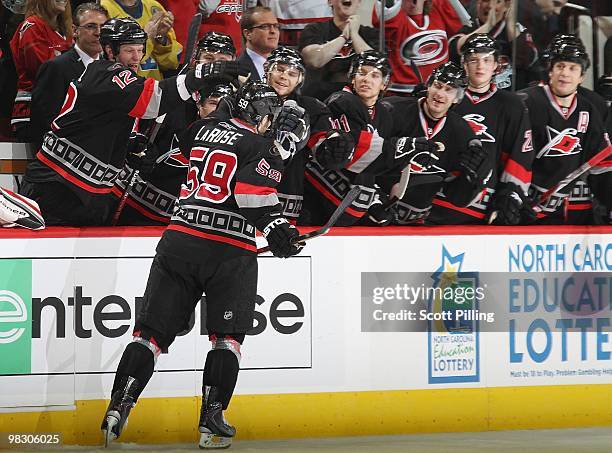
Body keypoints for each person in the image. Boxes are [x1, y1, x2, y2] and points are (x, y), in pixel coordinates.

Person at [101, 81, 308, 449]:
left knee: (149, 335)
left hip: (178, 241)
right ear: (258, 116)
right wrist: (280, 231)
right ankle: (211, 421)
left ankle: (119, 405)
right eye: (269, 118)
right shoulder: (261, 146)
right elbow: (250, 196)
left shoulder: (201, 128)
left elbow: (168, 161)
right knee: (226, 340)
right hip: (228, 253)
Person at [19, 18, 242, 226]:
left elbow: (106, 123)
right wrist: (199, 75)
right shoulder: (106, 73)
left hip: (83, 193)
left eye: (140, 50)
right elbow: (153, 100)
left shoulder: (116, 80)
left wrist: (131, 144)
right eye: (128, 50)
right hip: (57, 186)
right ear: (109, 51)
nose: (137, 58)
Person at [110, 31, 241, 226]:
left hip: (193, 217)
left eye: (223, 60)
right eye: (209, 58)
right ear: (195, 61)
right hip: (141, 203)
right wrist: (135, 148)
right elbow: (132, 126)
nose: (216, 66)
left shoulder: (241, 104)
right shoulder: (172, 89)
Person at [302, 50, 442, 226]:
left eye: (375, 75)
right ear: (352, 78)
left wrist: (376, 201)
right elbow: (355, 154)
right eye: (361, 73)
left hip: (347, 195)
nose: (366, 79)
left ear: (384, 84)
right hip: (317, 189)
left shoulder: (384, 114)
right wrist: (403, 149)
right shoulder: (342, 101)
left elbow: (373, 169)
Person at [429, 33, 533, 225]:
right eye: (474, 60)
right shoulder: (446, 97)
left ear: (496, 65)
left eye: (487, 60)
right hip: (437, 202)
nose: (480, 66)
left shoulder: (511, 105)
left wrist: (510, 194)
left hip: (483, 206)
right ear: (464, 63)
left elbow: (519, 156)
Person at [518, 36, 612, 225]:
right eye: (560, 66)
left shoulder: (589, 109)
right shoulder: (525, 102)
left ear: (582, 76)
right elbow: (515, 158)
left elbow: (602, 166)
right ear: (550, 69)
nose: (565, 74)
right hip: (530, 210)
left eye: (573, 68)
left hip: (575, 213)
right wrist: (514, 196)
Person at [381, 62, 488, 224]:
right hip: (376, 211)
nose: (440, 93)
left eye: (448, 90)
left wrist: (471, 177)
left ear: (457, 97)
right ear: (428, 86)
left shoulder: (461, 133)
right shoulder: (394, 110)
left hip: (416, 225)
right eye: (437, 86)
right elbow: (367, 155)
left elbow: (458, 199)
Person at [264, 46, 354, 223]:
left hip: (286, 196)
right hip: (244, 191)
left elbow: (321, 144)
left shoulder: (312, 109)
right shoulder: (244, 100)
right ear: (267, 69)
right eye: (280, 69)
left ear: (300, 79)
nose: (284, 77)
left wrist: (334, 146)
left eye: (292, 73)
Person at [30, 2, 108, 148]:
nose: (98, 32)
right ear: (75, 30)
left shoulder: (111, 69)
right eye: (91, 26)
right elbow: (43, 122)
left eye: (103, 27)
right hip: (62, 160)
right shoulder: (56, 67)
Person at [10, 0, 73, 141]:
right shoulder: (32, 26)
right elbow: (44, 70)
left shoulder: (66, 32)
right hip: (32, 112)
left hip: (61, 112)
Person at [372, 0, 463, 95]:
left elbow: (462, 26)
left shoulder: (437, 11)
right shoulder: (397, 19)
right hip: (400, 94)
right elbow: (386, 13)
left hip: (437, 91)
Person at [449, 0, 539, 90]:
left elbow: (529, 60)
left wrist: (511, 25)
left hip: (508, 96)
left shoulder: (517, 30)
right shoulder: (468, 26)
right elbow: (455, 49)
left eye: (498, 1)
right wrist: (488, 25)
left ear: (506, 6)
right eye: (486, 0)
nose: (490, 6)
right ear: (478, 3)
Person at [298, 0, 378, 102]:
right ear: (330, 2)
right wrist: (344, 36)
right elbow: (314, 61)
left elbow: (375, 68)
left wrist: (354, 35)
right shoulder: (315, 29)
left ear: (359, 2)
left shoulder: (371, 34)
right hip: (319, 101)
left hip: (359, 101)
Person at [101, 0, 181, 80]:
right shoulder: (104, 8)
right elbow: (112, 66)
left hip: (155, 86)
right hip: (126, 87)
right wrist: (147, 37)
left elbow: (172, 64)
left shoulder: (153, 6)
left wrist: (160, 38)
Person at [237, 6, 278, 81]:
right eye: (265, 26)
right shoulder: (237, 70)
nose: (273, 31)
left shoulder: (287, 65)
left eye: (275, 26)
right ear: (248, 34)